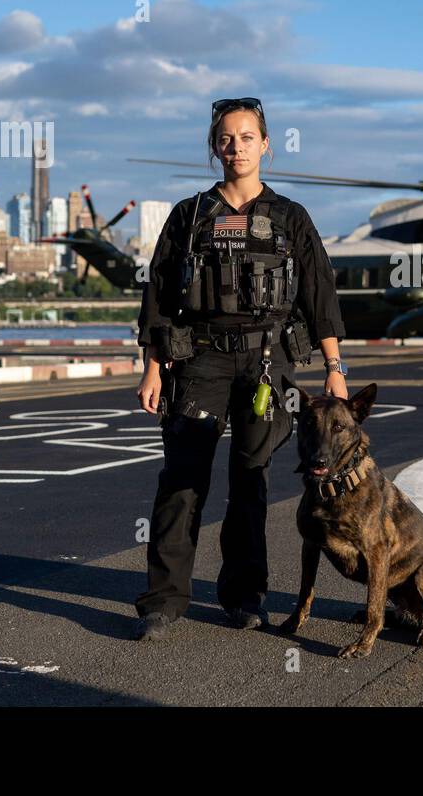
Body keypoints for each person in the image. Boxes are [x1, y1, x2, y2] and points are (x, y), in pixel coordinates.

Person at [133, 96, 347, 641]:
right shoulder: (189, 215)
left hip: (266, 362)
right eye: (226, 138)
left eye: (247, 137)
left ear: (265, 144)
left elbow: (321, 294)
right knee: (182, 482)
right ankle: (163, 601)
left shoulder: (290, 218)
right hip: (199, 359)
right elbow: (158, 297)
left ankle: (244, 595)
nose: (236, 147)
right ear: (214, 147)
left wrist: (335, 367)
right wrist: (152, 367)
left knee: (250, 482)